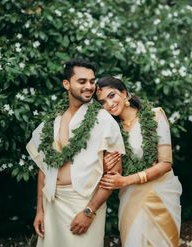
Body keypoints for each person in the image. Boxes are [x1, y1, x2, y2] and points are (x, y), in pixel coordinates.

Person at [26, 60, 125, 247]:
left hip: (84, 204)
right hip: (52, 203)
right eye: (82, 81)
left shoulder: (103, 120)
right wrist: (40, 210)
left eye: (91, 81)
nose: (89, 86)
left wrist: (89, 211)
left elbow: (113, 174)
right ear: (66, 84)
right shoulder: (52, 122)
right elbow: (44, 168)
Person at [96, 76, 182, 247]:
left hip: (161, 194)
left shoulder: (155, 116)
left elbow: (165, 164)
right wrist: (104, 166)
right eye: (102, 102)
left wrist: (126, 180)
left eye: (112, 96)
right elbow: (113, 173)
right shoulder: (111, 132)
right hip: (130, 199)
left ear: (124, 93)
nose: (109, 104)